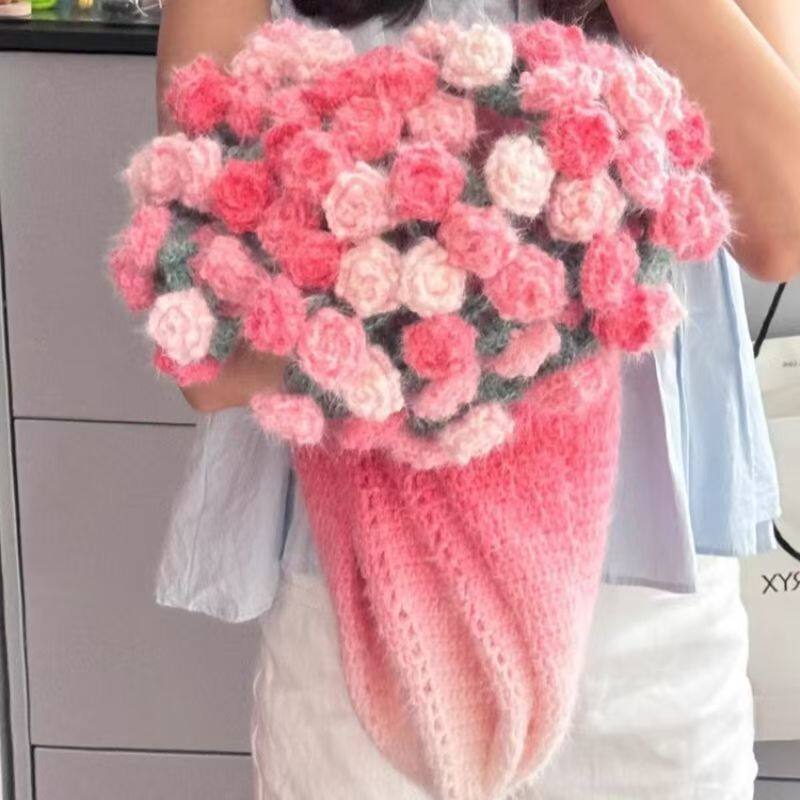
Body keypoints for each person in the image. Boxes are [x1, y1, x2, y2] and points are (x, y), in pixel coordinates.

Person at [154, 1, 800, 798]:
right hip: (368, 615)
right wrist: (441, 304)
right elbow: (205, 345)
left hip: (650, 616)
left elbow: (783, 220)